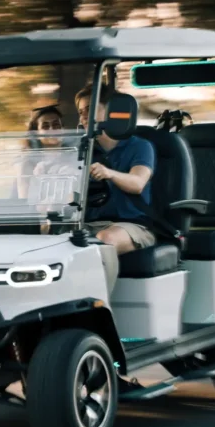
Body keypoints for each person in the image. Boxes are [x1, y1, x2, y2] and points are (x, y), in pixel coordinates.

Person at [75, 81, 157, 295]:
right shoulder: (82, 150)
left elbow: (137, 184)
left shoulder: (140, 146)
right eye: (81, 112)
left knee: (106, 239)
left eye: (90, 110)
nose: (84, 117)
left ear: (111, 111)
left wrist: (110, 173)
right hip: (89, 223)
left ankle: (96, 307)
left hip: (132, 226)